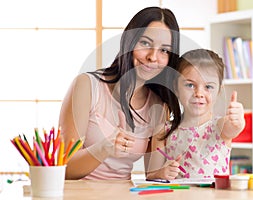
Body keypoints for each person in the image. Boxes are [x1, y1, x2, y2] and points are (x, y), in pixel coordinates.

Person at [59, 6, 181, 180]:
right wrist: (103, 148)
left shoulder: (158, 105)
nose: (153, 57)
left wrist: (163, 172)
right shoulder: (87, 86)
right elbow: (63, 168)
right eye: (145, 43)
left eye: (164, 50)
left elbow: (152, 176)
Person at [146, 49, 245, 180]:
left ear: (219, 91)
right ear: (176, 87)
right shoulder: (162, 131)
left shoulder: (220, 126)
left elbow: (233, 128)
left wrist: (238, 122)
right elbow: (151, 175)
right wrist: (161, 173)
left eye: (208, 87)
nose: (199, 93)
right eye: (190, 85)